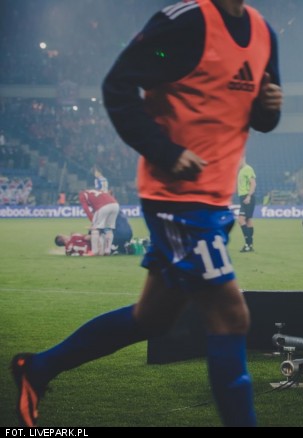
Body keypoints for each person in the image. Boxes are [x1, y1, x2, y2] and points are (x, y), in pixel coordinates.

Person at [11, 0, 282, 428]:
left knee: (152, 317)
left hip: (214, 202)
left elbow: (263, 118)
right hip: (175, 198)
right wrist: (165, 151)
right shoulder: (185, 22)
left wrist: (269, 107)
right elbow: (117, 86)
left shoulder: (265, 33)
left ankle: (38, 368)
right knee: (231, 314)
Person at [55, 211, 134, 256]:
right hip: (97, 248)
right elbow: (88, 238)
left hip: (92, 254)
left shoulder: (67, 252)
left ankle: (117, 249)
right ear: (63, 238)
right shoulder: (74, 236)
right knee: (98, 232)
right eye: (64, 235)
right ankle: (118, 247)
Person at [79, 189, 120, 256]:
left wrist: (92, 221)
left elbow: (86, 209)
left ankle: (95, 251)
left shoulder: (82, 194)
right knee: (109, 228)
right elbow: (98, 203)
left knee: (95, 229)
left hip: (103, 207)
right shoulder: (94, 192)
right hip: (115, 205)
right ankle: (107, 250)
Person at [237, 156, 257, 252]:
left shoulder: (248, 169)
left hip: (247, 197)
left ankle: (248, 244)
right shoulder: (241, 171)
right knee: (248, 220)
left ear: (243, 159)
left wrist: (249, 196)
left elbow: (253, 183)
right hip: (243, 197)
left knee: (241, 219)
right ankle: (249, 245)